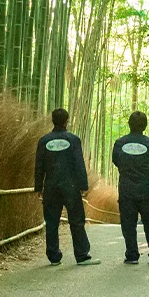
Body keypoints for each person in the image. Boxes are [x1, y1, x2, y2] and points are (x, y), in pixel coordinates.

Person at [34, 108, 100, 266]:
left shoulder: (44, 141)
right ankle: (82, 255)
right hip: (70, 186)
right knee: (76, 221)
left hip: (51, 186)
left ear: (52, 120)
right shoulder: (73, 139)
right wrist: (83, 185)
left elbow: (39, 166)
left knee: (51, 222)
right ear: (66, 121)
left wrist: (38, 187)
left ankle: (54, 257)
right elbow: (79, 164)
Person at [112, 111, 149, 264]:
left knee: (128, 223)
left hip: (126, 188)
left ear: (129, 124)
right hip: (146, 188)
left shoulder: (120, 143)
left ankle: (132, 255)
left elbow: (116, 161)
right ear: (145, 126)